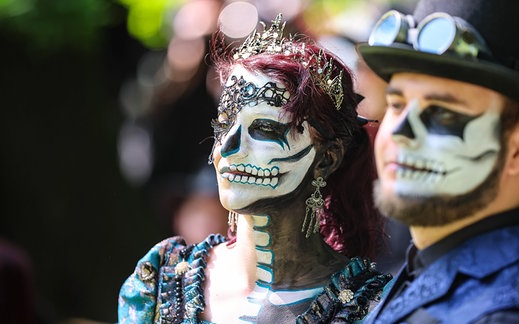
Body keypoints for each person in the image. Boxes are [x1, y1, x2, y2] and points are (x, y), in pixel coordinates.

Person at [118, 14, 391, 323]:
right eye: (223, 125)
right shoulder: (159, 284)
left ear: (327, 158)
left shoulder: (373, 307)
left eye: (264, 128)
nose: (226, 148)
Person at [358, 0, 519, 322]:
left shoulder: (509, 314)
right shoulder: (436, 259)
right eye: (397, 103)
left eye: (442, 112)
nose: (402, 131)